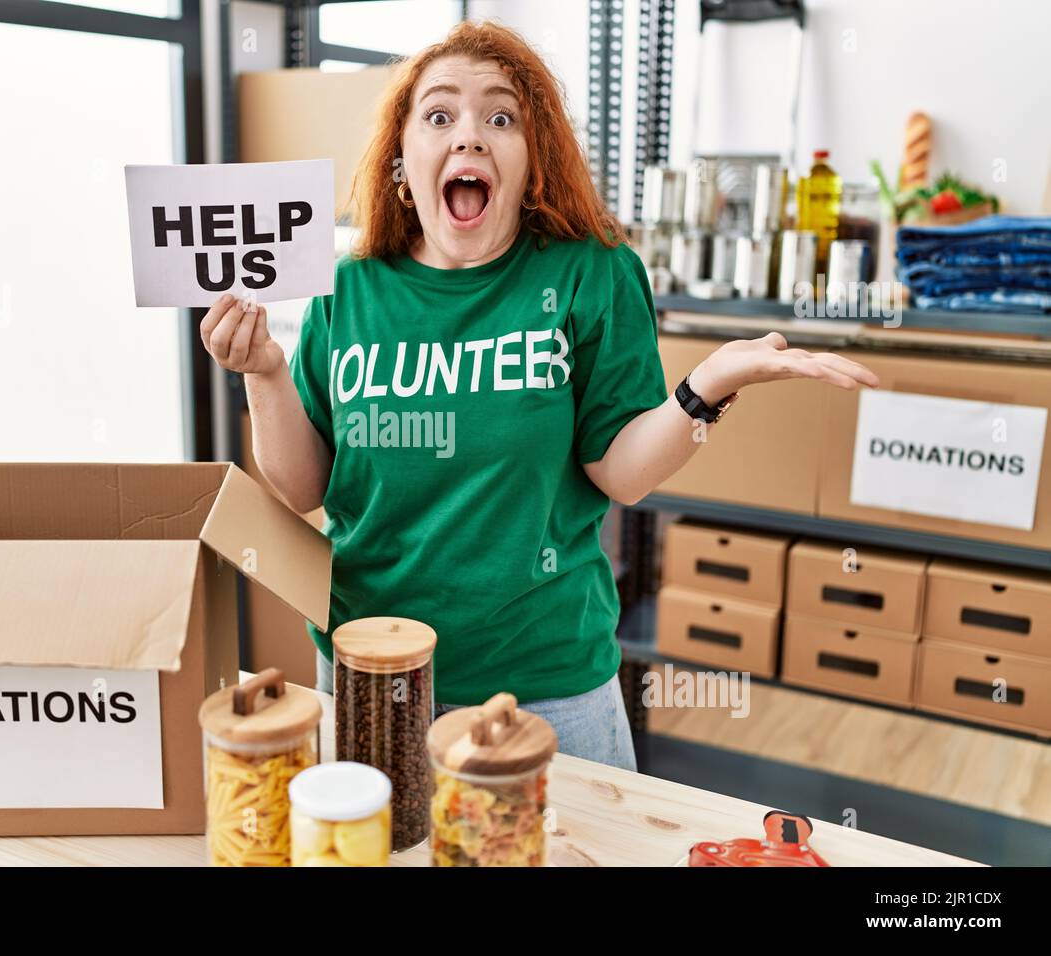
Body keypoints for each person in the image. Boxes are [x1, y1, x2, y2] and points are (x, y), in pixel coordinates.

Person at [199, 21, 877, 771]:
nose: (469, 137)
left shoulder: (592, 275)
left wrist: (707, 385)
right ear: (402, 158)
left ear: (532, 160)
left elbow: (621, 473)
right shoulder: (348, 291)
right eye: (439, 115)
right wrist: (263, 371)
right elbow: (302, 488)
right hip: (372, 668)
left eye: (501, 117)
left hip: (545, 686)